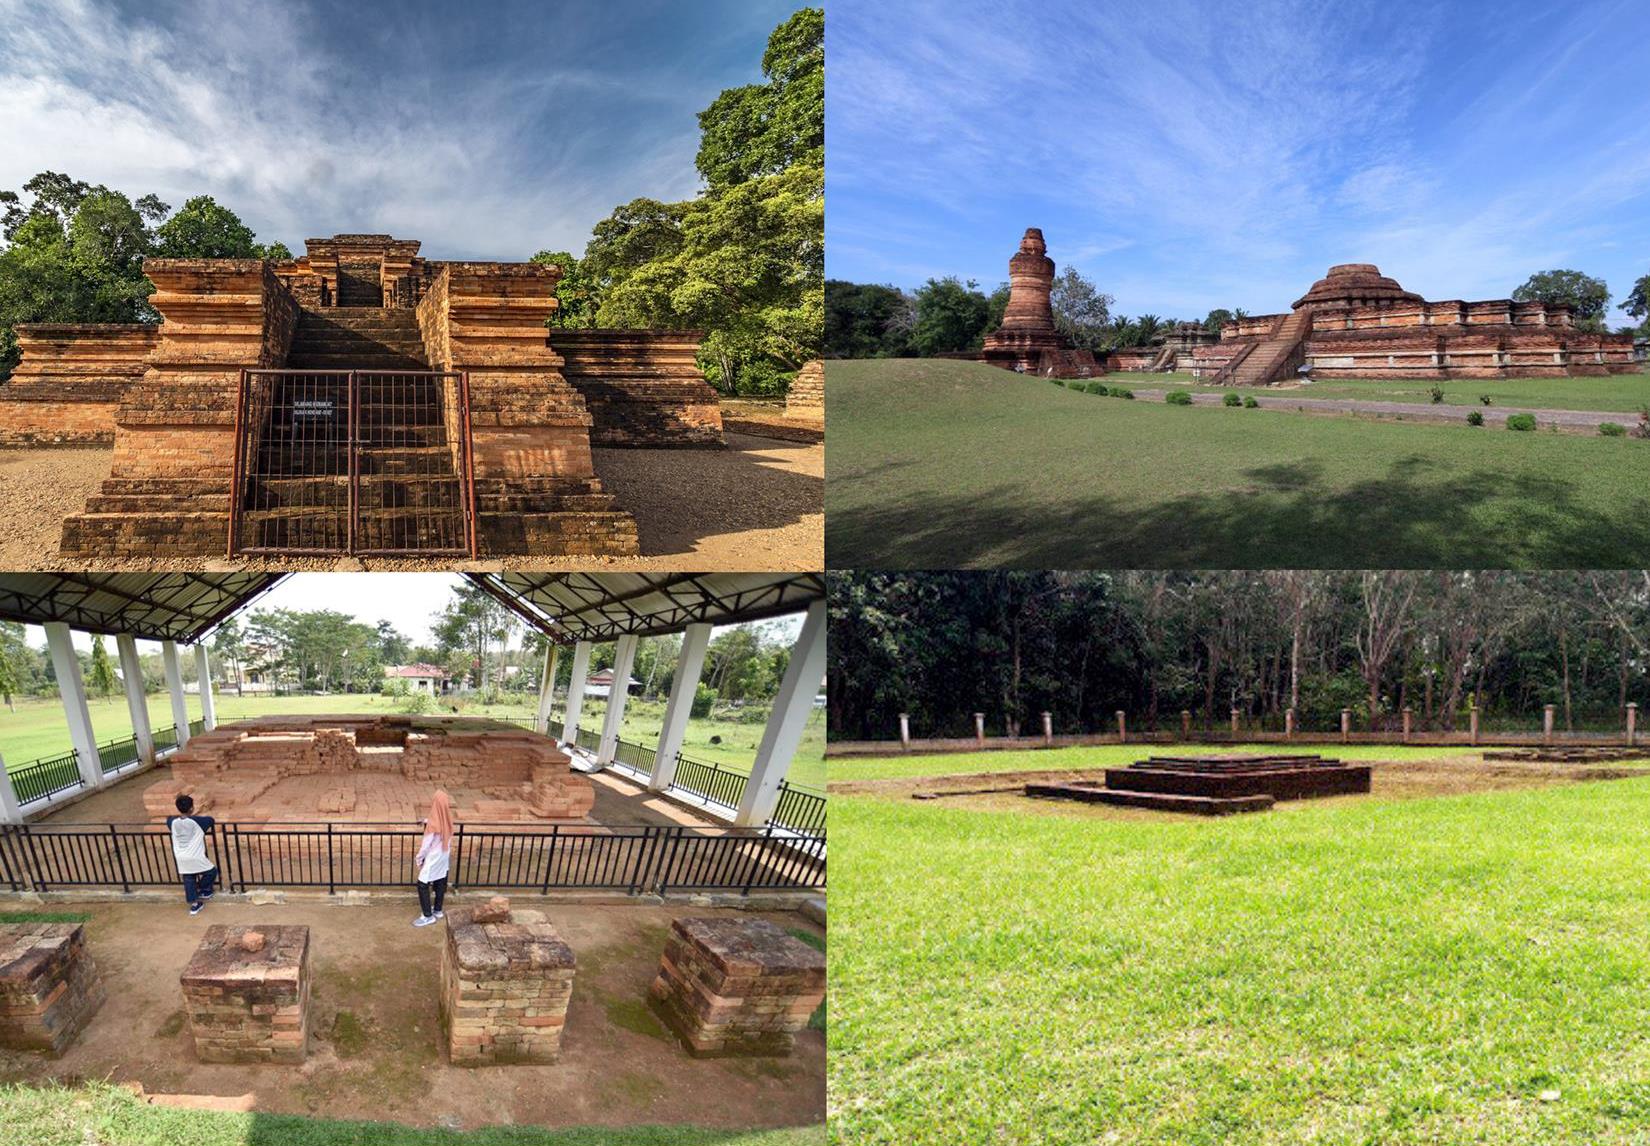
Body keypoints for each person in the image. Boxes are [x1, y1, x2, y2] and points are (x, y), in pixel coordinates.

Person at [167, 793, 218, 915]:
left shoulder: (172, 822)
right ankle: (203, 890)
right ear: (191, 808)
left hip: (181, 856)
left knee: (188, 877)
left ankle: (194, 904)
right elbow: (211, 820)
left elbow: (168, 819)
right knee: (212, 872)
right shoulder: (198, 822)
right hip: (195, 856)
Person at [412, 789, 454, 927]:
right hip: (444, 856)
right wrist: (425, 820)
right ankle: (437, 910)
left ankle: (427, 916)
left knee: (422, 883)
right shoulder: (447, 819)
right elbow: (438, 823)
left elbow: (425, 846)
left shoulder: (432, 825)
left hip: (434, 856)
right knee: (440, 880)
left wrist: (419, 858)